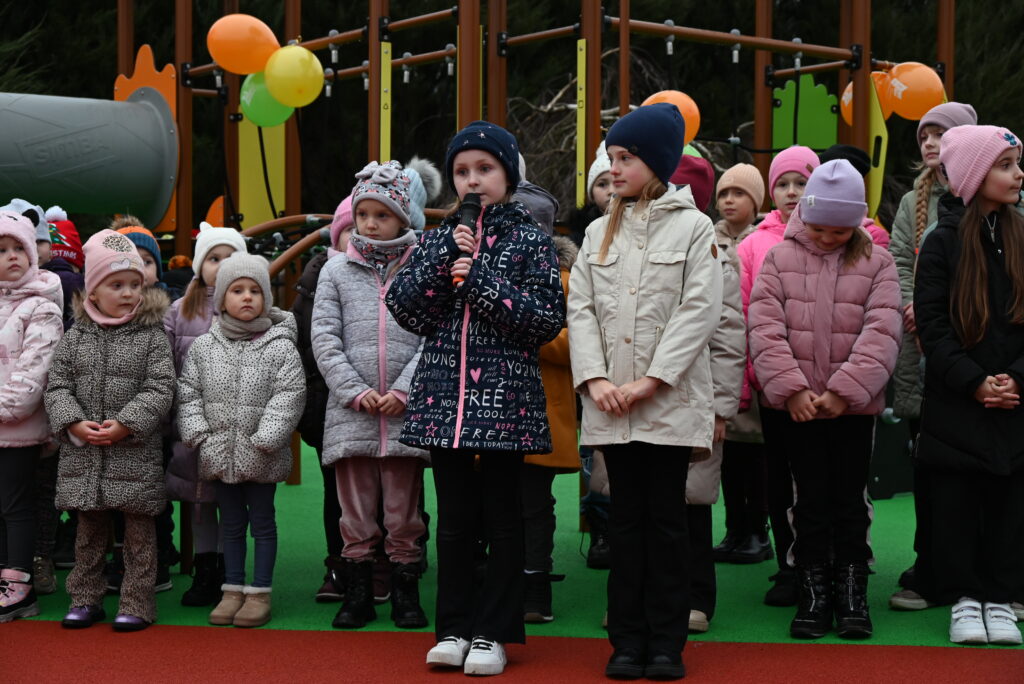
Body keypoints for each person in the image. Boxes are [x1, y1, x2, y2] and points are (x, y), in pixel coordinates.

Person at [386, 120, 564, 676]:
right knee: (455, 521)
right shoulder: (440, 238)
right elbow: (405, 307)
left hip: (505, 403)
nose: (473, 180)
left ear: (508, 175)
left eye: (485, 169)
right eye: (462, 171)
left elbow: (545, 320)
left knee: (505, 520)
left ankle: (494, 632)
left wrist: (483, 282)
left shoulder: (531, 240)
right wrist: (446, 257)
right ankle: (454, 628)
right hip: (445, 402)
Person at [568, 102, 723, 680]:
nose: (614, 168)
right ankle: (626, 641)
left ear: (656, 162)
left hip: (667, 404)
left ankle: (666, 642)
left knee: (667, 521)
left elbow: (698, 311)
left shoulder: (694, 227)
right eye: (611, 157)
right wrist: (596, 379)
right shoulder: (596, 231)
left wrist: (651, 381)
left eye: (625, 158)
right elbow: (581, 309)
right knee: (624, 522)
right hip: (613, 404)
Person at [748, 159, 901, 640]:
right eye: (818, 229)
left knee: (849, 499)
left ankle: (852, 591)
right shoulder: (779, 258)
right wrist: (792, 389)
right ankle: (812, 591)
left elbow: (883, 331)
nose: (828, 238)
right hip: (798, 407)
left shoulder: (878, 262)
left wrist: (845, 390)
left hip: (852, 409)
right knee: (807, 498)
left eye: (840, 231)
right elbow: (764, 327)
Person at [914, 125, 1024, 646]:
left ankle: (1001, 597)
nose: (1018, 175)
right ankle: (963, 597)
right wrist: (975, 382)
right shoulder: (941, 243)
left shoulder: (1023, 238)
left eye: (1016, 164)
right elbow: (932, 326)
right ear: (975, 175)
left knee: (1008, 503)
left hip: (1014, 402)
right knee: (956, 504)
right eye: (1005, 165)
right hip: (957, 403)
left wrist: (1015, 378)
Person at [311, 160, 428, 630]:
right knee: (354, 512)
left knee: (403, 512)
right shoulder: (335, 270)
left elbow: (432, 336)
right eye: (363, 215)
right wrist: (354, 391)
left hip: (403, 413)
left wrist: (404, 389)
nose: (371, 224)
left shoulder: (422, 267)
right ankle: (357, 592)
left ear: (402, 218)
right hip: (352, 413)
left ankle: (405, 592)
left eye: (382, 215)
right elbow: (324, 337)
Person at [45, 230, 175, 631]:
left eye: (135, 284)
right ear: (93, 292)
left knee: (138, 534)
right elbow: (57, 385)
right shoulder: (76, 336)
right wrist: (72, 422)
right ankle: (85, 598)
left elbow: (161, 386)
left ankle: (137, 601)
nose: (128, 293)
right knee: (88, 532)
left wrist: (127, 424)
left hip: (133, 452)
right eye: (116, 285)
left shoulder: (152, 335)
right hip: (86, 453)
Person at [178, 253, 304, 628]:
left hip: (262, 454)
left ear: (266, 297)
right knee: (230, 525)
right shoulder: (204, 347)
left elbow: (290, 393)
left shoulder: (280, 345)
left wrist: (267, 437)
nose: (247, 297)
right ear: (222, 298)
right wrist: (199, 434)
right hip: (218, 453)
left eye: (255, 290)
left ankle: (259, 592)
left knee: (262, 523)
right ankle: (231, 590)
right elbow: (188, 392)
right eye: (237, 290)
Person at [886, 102, 978, 611]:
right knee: (930, 465)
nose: (928, 143)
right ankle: (933, 565)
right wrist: (916, 306)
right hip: (924, 348)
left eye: (940, 134)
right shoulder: (912, 202)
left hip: (977, 351)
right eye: (924, 135)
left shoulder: (995, 198)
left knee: (981, 468)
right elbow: (901, 260)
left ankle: (986, 571)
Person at [736, 145, 819, 607]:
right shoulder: (754, 244)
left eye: (801, 183)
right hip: (774, 387)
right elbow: (746, 314)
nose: (791, 192)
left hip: (825, 387)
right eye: (783, 184)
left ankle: (822, 563)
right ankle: (789, 566)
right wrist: (756, 376)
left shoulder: (839, 236)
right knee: (779, 479)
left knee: (820, 479)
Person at [163, 221, 247, 607]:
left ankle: (231, 569)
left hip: (236, 424)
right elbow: (166, 364)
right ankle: (205, 567)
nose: (222, 264)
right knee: (200, 502)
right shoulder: (180, 311)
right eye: (214, 258)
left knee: (231, 500)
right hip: (192, 423)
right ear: (199, 266)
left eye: (231, 257)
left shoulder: (248, 306)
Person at [0, 210, 63, 622]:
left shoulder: (41, 307)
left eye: (18, 248)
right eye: (1, 250)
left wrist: (6, 408)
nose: (11, 256)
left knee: (15, 504)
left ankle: (19, 582)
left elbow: (34, 373)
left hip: (19, 428)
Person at [710, 163, 774, 566]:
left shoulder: (765, 240)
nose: (729, 201)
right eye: (723, 194)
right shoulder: (707, 238)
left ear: (757, 201)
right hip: (723, 357)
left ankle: (757, 530)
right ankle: (734, 529)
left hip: (755, 358)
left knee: (756, 454)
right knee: (728, 455)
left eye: (739, 194)